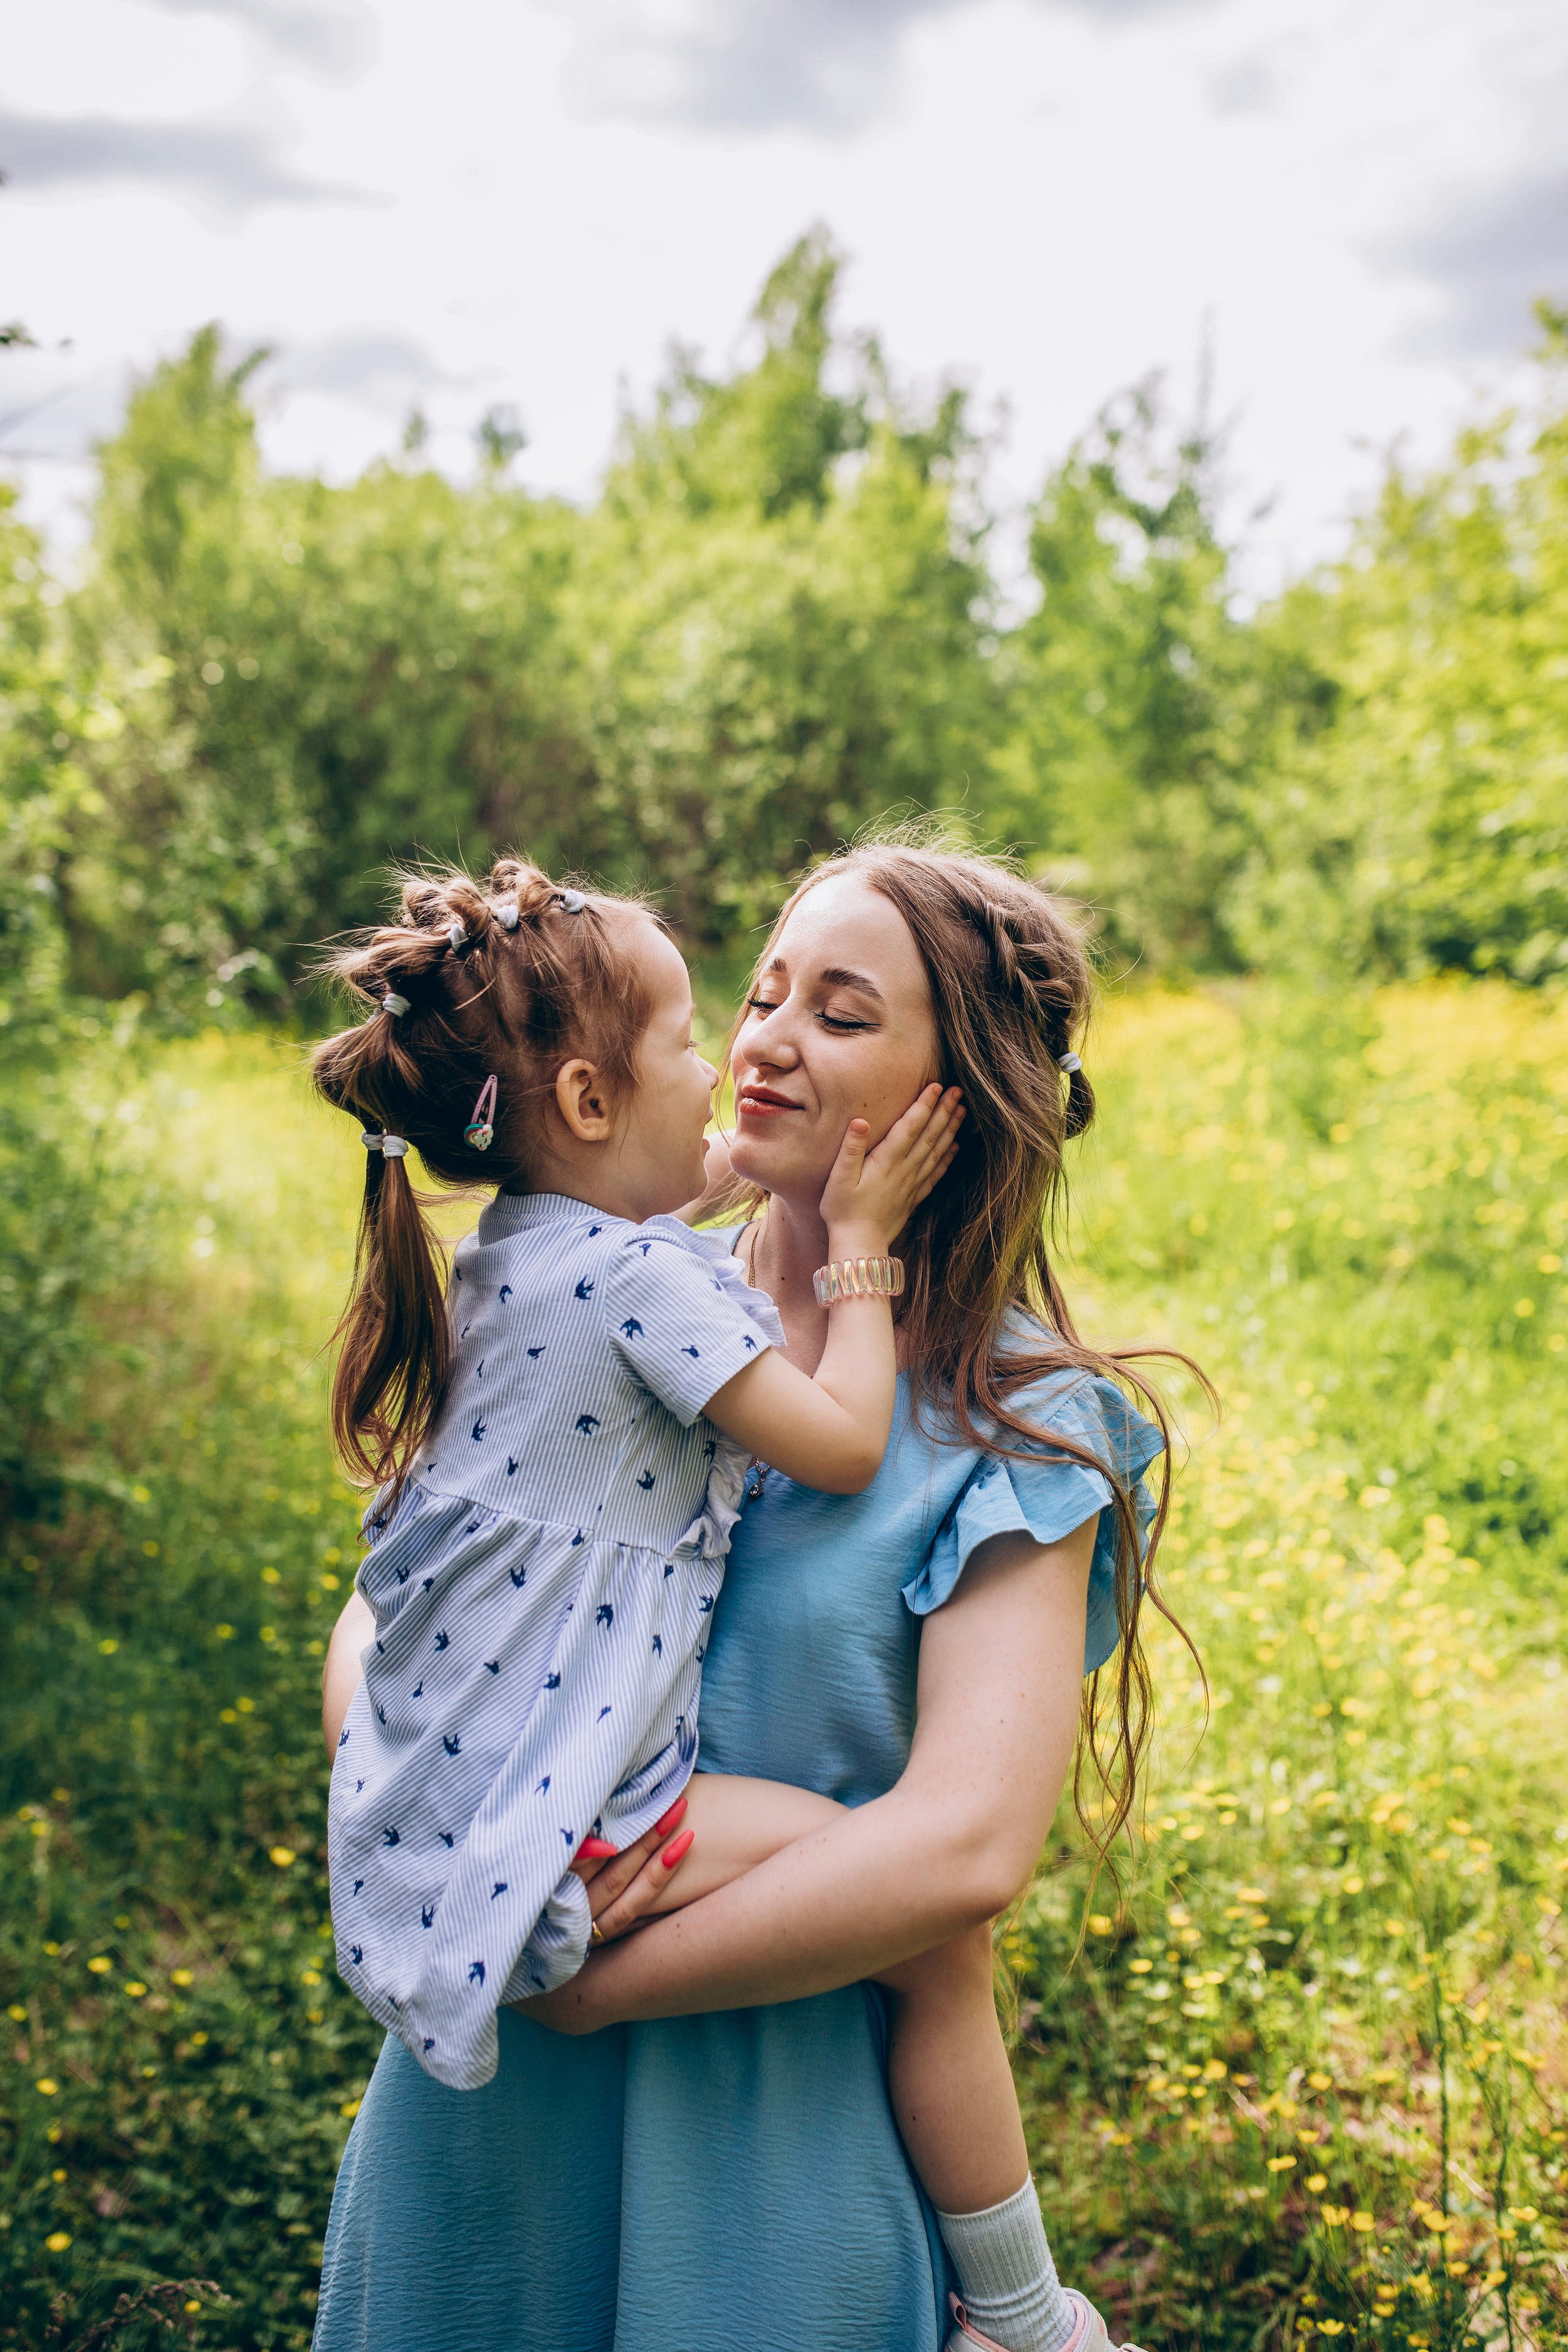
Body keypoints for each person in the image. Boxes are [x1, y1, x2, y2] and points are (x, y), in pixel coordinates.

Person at [314, 840, 1186, 2352]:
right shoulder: (614, 1289)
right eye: (766, 989)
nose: (766, 1038)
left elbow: (962, 1852)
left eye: (844, 1015)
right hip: (489, 2119)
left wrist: (597, 1985)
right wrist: (465, 1820)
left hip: (768, 2148)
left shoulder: (1013, 1426)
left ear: (954, 1095)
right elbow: (398, 1600)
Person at [309, 856, 961, 2091]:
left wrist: (756, 1155)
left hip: (473, 1792)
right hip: (587, 1807)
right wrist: (860, 1250)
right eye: (686, 1044)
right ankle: (1020, 2293)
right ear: (587, 1104)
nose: (722, 1069)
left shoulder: (515, 1248)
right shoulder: (641, 1286)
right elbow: (842, 1444)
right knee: (874, 1882)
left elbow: (673, 1171)